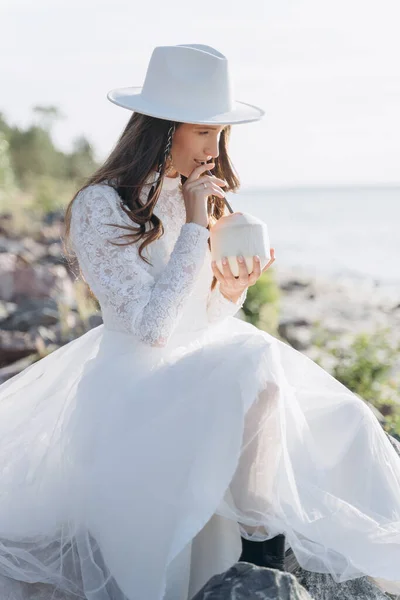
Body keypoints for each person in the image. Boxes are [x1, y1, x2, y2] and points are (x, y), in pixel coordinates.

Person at [0, 43, 399, 600]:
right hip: (134, 384)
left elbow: (201, 315)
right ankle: (262, 552)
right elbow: (152, 328)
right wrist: (192, 223)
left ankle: (300, 554)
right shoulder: (100, 206)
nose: (216, 149)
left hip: (204, 365)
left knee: (345, 417)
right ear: (161, 131)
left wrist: (231, 289)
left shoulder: (194, 195)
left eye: (220, 134)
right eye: (204, 132)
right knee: (256, 360)